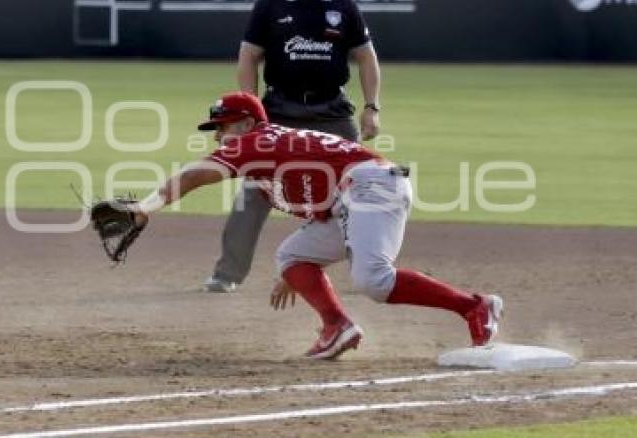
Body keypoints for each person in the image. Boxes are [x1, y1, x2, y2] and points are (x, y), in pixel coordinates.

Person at [130, 91, 503, 359]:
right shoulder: (269, 160)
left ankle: (475, 306)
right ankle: (336, 326)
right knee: (292, 256)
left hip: (370, 185)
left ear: (246, 124)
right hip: (353, 194)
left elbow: (193, 176)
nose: (217, 137)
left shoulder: (256, 142)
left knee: (373, 281)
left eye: (222, 126)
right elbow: (321, 209)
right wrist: (300, 272)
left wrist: (144, 208)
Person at [204, 0, 382, 293]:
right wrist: (250, 109)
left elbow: (366, 57)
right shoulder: (270, 4)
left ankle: (369, 269)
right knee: (255, 191)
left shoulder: (343, 5)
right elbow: (249, 56)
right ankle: (227, 274)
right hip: (279, 111)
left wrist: (371, 107)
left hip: (332, 112)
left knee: (359, 188)